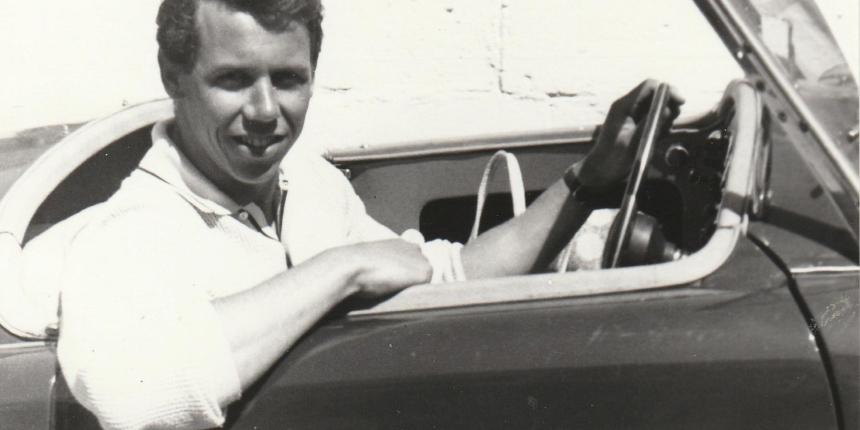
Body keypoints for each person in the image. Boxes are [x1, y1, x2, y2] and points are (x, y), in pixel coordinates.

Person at [23, 0, 682, 429]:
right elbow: (135, 395)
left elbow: (440, 280)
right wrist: (344, 267)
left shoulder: (304, 184)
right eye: (232, 80)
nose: (263, 110)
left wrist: (586, 183)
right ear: (174, 77)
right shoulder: (134, 233)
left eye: (288, 80)